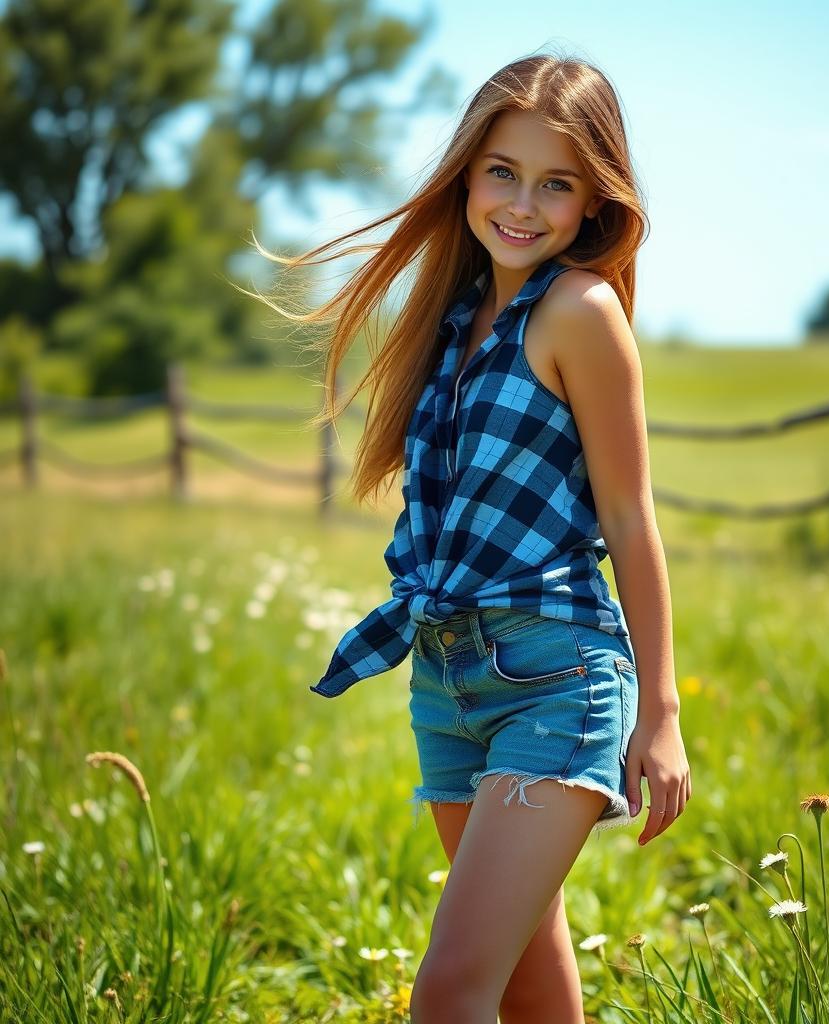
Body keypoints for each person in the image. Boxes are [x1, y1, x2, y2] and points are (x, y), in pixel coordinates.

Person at [247, 50, 691, 1024]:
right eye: (503, 171)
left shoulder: (580, 312)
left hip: (554, 676)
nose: (523, 203)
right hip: (447, 682)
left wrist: (658, 712)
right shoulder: (452, 318)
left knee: (447, 994)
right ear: (466, 173)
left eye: (556, 182)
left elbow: (629, 518)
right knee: (529, 990)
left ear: (592, 202)